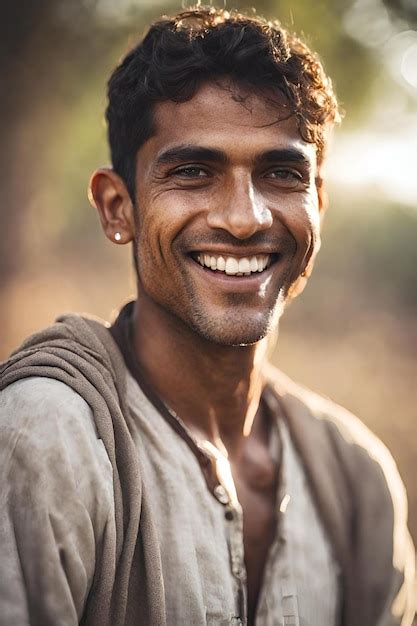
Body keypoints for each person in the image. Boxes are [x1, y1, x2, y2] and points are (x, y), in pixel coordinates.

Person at [0, 7, 415, 626]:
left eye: (281, 173)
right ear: (119, 208)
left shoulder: (355, 478)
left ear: (319, 204)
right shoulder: (45, 437)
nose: (245, 219)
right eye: (193, 172)